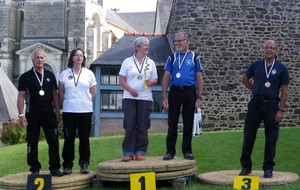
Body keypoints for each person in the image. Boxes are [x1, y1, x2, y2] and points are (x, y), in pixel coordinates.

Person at [239, 40, 290, 178]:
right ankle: (245, 166)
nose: (269, 50)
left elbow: (284, 91)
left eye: (272, 48)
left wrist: (280, 110)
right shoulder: (256, 65)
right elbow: (244, 80)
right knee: (249, 135)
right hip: (255, 103)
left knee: (271, 138)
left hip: (272, 105)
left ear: (276, 51)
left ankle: (268, 168)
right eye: (266, 47)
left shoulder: (281, 68)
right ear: (263, 50)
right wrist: (255, 89)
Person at [17, 48, 63, 177]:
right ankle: (34, 168)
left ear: (45, 59)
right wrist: (21, 115)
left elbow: (55, 94)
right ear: (32, 60)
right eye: (37, 57)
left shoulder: (50, 75)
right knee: (32, 141)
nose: (40, 60)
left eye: (42, 57)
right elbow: (21, 96)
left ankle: (54, 168)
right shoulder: (25, 77)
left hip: (49, 113)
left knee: (53, 140)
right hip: (32, 113)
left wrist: (57, 112)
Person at [162, 32, 204, 160]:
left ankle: (187, 151)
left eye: (180, 41)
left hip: (189, 92)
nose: (177, 43)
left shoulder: (194, 57)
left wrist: (199, 96)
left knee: (188, 121)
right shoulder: (172, 58)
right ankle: (170, 151)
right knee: (172, 122)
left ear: (187, 41)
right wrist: (164, 96)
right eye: (176, 41)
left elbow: (199, 78)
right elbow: (166, 77)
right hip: (175, 91)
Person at [119, 37, 158, 162]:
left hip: (145, 98)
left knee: (143, 125)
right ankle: (128, 152)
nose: (147, 47)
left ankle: (140, 152)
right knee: (130, 124)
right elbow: (121, 80)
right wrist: (130, 90)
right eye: (145, 45)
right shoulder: (127, 61)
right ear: (137, 47)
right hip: (129, 97)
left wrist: (152, 82)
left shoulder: (150, 62)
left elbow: (155, 79)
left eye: (148, 45)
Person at [58, 48, 97, 174]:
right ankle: (67, 165)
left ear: (83, 58)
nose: (79, 57)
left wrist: (85, 100)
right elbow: (61, 92)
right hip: (69, 111)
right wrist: (67, 103)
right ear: (72, 58)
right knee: (69, 138)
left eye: (81, 55)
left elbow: (93, 92)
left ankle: (84, 163)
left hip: (85, 110)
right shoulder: (64, 74)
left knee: (84, 138)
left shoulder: (89, 73)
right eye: (76, 55)